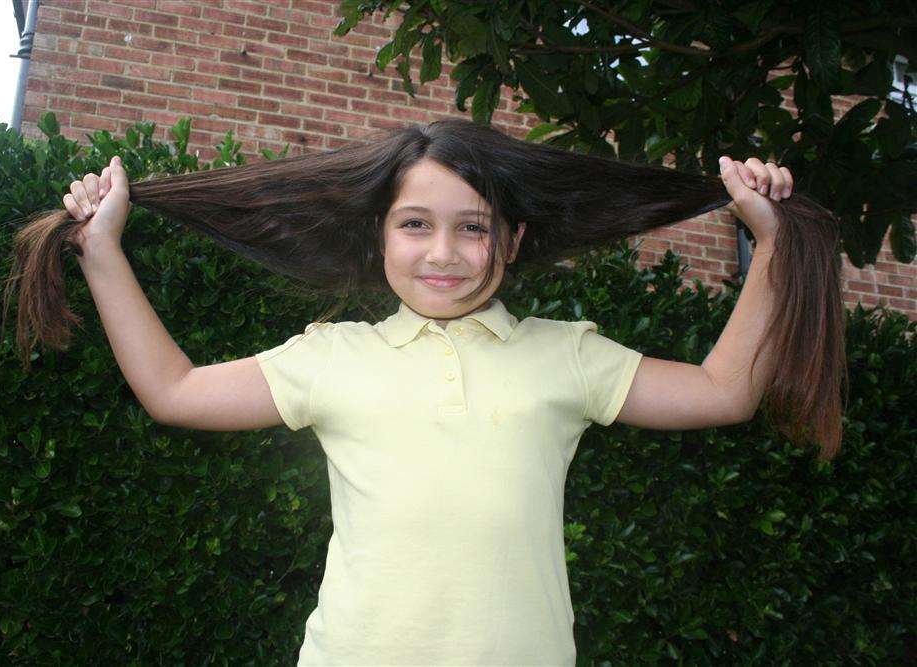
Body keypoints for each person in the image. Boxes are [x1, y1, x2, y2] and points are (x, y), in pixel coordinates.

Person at [59, 141, 796, 664]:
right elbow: (174, 390)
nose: (442, 253)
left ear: (511, 241)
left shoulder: (567, 353)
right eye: (415, 223)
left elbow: (724, 390)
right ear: (379, 234)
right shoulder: (330, 355)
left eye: (472, 227)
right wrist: (102, 251)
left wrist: (771, 246)